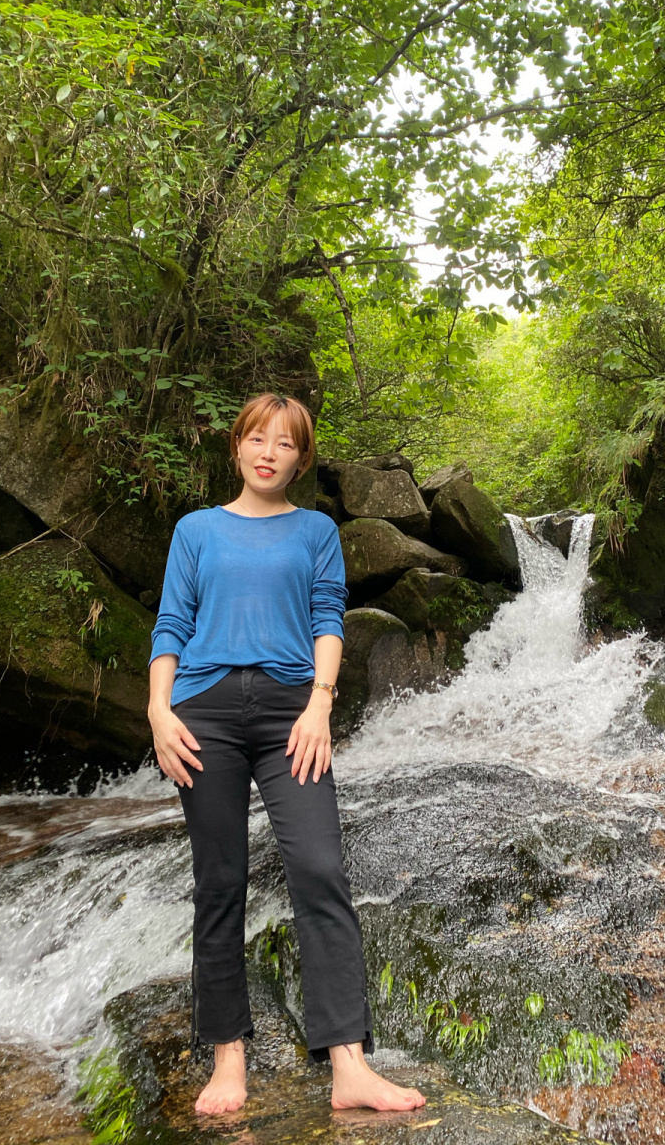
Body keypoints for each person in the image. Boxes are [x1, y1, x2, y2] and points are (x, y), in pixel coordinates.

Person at [146, 392, 426, 1116]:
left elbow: (327, 616)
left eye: (285, 443)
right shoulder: (196, 529)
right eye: (256, 438)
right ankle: (228, 1060)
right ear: (237, 446)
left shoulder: (315, 532)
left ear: (301, 459)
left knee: (319, 866)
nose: (268, 452)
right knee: (220, 879)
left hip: (289, 713)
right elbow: (172, 623)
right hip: (201, 712)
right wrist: (157, 712)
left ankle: (350, 1066)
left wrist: (320, 704)